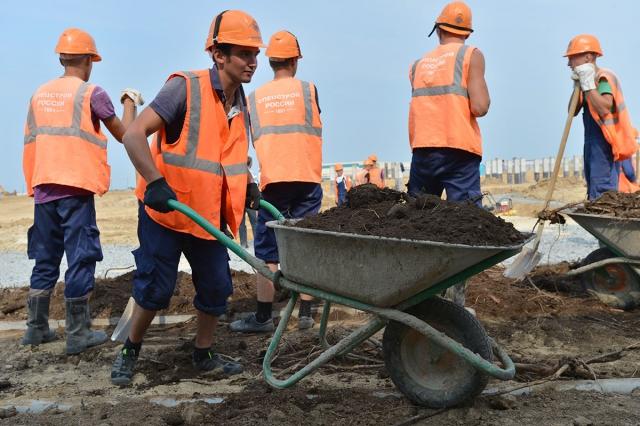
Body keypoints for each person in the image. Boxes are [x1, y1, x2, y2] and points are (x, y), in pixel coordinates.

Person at [110, 10, 264, 386]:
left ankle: (203, 353)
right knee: (155, 289)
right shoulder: (185, 88)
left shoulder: (240, 101)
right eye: (243, 53)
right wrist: (155, 181)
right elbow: (133, 135)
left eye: (254, 53)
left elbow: (227, 156)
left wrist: (248, 186)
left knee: (216, 288)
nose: (253, 62)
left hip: (206, 216)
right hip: (166, 210)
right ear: (218, 55)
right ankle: (130, 348)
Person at [22, 28, 142, 355]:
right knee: (81, 256)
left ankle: (35, 329)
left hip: (43, 187)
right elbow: (126, 134)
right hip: (74, 190)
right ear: (89, 61)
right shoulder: (92, 93)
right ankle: (78, 332)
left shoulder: (39, 94)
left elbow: (31, 140)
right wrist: (130, 103)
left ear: (61, 58)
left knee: (45, 258)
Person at [230, 30, 323, 333]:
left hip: (272, 182)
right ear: (295, 61)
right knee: (305, 245)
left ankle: (263, 316)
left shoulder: (255, 98)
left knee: (268, 251)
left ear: (269, 61)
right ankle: (306, 313)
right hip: (307, 178)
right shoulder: (309, 90)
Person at [407, 1, 489, 306]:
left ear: (438, 30)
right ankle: (456, 295)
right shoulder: (471, 55)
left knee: (417, 222)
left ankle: (420, 291)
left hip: (423, 151)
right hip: (459, 150)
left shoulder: (417, 65)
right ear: (467, 32)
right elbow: (479, 106)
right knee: (464, 223)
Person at [566, 34, 638, 200]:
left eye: (572, 58)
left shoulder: (603, 78)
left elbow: (604, 107)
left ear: (588, 57)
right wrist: (578, 85)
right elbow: (571, 111)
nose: (569, 64)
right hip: (592, 145)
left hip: (606, 145)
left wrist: (588, 85)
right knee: (594, 188)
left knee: (603, 193)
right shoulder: (587, 82)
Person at [238, 156, 258, 248]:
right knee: (252, 222)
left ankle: (244, 244)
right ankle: (252, 243)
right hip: (247, 201)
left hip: (245, 201)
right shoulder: (251, 174)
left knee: (246, 223)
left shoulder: (250, 174)